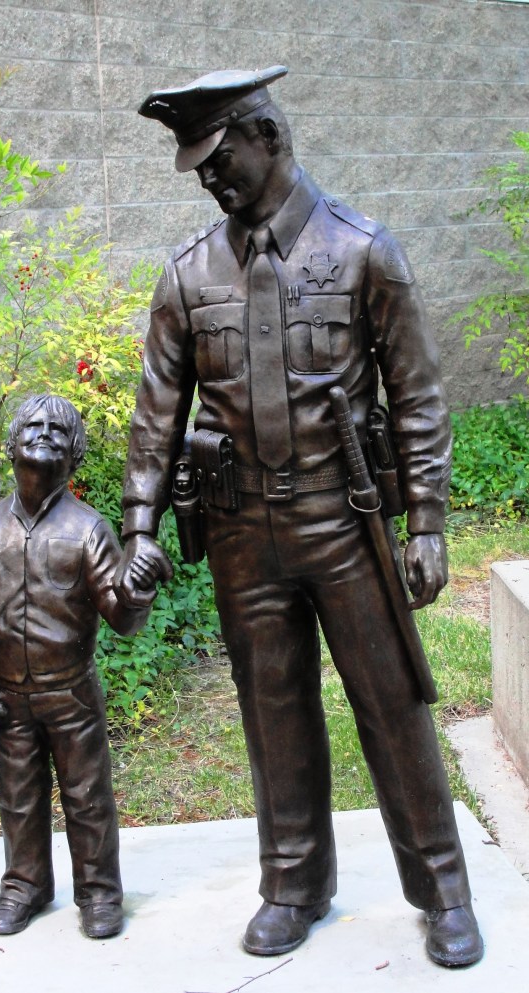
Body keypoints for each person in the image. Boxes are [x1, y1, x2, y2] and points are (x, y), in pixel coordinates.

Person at [115, 67, 484, 968]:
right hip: (242, 534)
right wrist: (139, 527)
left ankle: (442, 889)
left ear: (269, 136)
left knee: (391, 706)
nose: (210, 178)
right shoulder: (189, 272)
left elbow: (418, 398)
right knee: (272, 710)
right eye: (199, 167)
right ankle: (292, 884)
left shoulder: (363, 251)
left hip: (342, 523)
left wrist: (426, 522)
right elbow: (156, 413)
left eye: (220, 158)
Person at [0, 394, 171, 939]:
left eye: (58, 429)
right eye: (33, 425)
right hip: (8, 697)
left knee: (87, 797)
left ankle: (99, 892)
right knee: (18, 800)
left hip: (71, 697)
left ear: (74, 453)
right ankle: (23, 885)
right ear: (11, 445)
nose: (45, 433)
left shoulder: (88, 530)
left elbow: (122, 618)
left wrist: (137, 588)